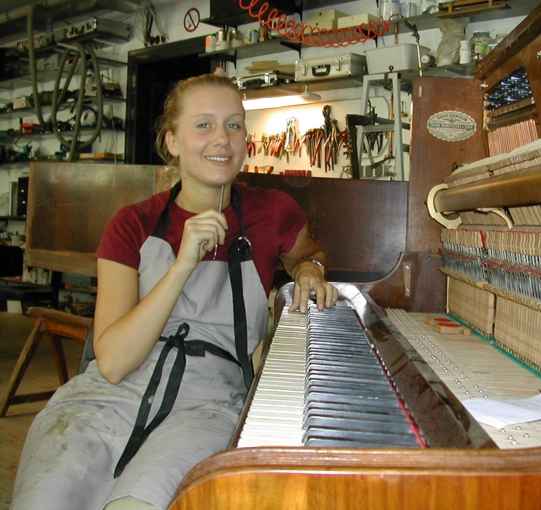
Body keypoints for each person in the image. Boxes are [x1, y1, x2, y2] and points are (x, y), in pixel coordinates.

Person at [11, 72, 338, 510]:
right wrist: (183, 264)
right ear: (172, 141)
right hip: (112, 394)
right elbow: (112, 362)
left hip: (209, 402)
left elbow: (307, 253)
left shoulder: (273, 211)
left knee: (139, 503)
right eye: (203, 125)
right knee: (48, 498)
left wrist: (309, 271)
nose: (221, 139)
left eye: (234, 125)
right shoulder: (132, 225)